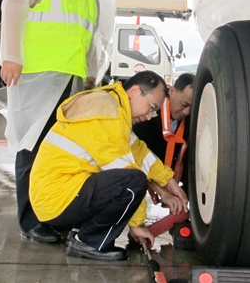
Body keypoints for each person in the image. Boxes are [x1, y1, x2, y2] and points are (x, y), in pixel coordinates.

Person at [0, 0, 116, 243]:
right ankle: (31, 221)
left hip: (72, 80)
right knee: (32, 148)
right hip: (37, 74)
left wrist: (92, 77)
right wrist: (11, 56)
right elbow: (14, 5)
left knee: (64, 153)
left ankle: (55, 215)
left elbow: (90, 33)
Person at [29, 70, 189, 261]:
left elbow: (139, 151)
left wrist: (168, 182)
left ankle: (83, 232)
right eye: (151, 107)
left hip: (55, 195)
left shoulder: (112, 104)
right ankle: (89, 242)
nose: (149, 117)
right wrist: (137, 224)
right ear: (135, 91)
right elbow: (125, 172)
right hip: (56, 198)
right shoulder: (109, 115)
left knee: (128, 177)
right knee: (132, 180)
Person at [133, 73, 195, 199]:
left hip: (175, 172)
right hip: (144, 172)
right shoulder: (147, 116)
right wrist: (162, 191)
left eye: (191, 107)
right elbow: (137, 159)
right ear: (172, 91)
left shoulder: (192, 120)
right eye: (184, 104)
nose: (186, 112)